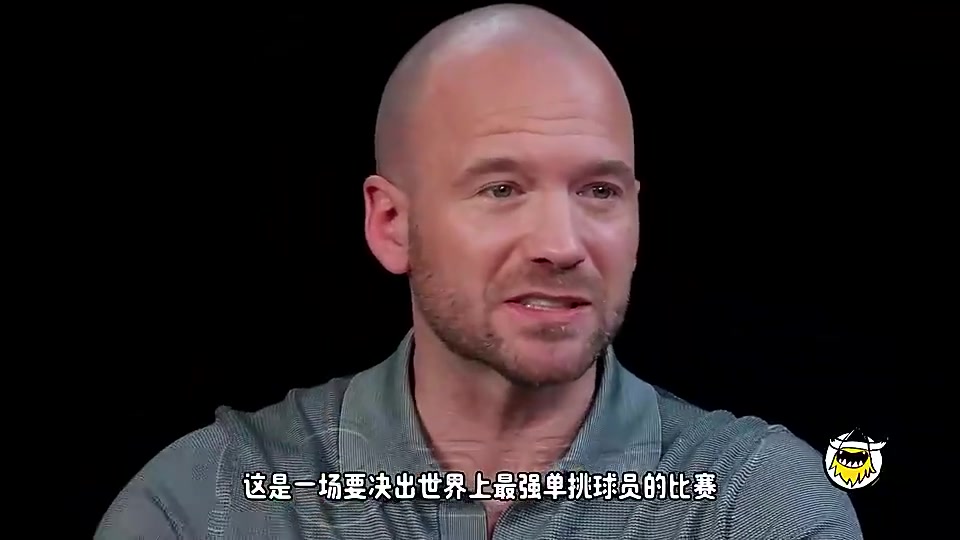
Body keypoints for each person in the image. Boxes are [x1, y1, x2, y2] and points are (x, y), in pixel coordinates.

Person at [97, 4, 862, 539]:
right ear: (391, 225)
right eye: (501, 189)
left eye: (599, 191)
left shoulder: (756, 505)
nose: (562, 244)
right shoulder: (207, 503)